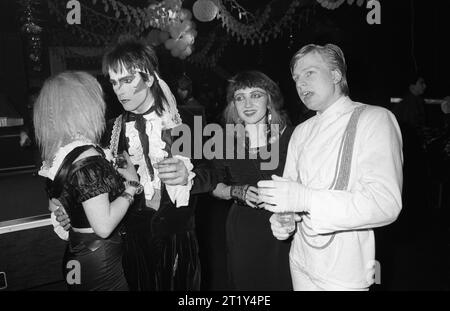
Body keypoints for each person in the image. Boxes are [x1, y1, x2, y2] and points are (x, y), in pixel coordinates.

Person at [258, 44, 403, 291]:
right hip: (299, 261)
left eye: (309, 73)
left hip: (344, 273)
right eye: (296, 78)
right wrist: (284, 219)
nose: (301, 84)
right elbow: (291, 195)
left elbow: (385, 203)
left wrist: (305, 199)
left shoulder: (374, 118)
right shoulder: (301, 131)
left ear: (336, 75)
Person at [34, 71, 140, 290]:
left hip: (76, 255)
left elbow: (55, 206)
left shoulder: (58, 151)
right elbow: (103, 226)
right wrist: (131, 186)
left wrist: (71, 215)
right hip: (100, 260)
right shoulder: (88, 157)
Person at [210, 71, 294, 290]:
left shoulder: (292, 137)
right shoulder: (224, 142)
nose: (247, 103)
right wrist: (236, 191)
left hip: (285, 227)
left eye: (256, 95)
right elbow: (213, 185)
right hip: (243, 229)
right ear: (233, 105)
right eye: (240, 97)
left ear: (269, 100)